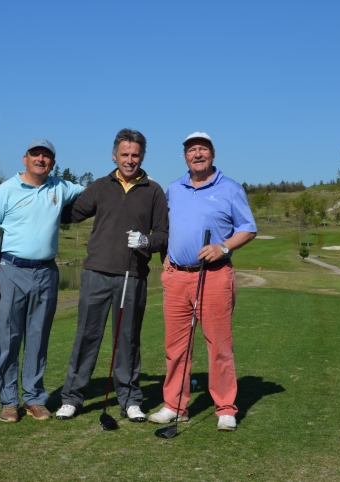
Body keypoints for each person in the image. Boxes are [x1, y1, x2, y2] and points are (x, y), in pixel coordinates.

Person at [55, 128, 168, 422]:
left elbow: (164, 235)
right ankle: (72, 398)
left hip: (133, 275)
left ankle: (130, 399)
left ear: (142, 156)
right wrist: (47, 195)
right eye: (124, 154)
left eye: (135, 155)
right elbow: (71, 213)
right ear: (114, 155)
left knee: (127, 339)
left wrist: (145, 241)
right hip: (96, 273)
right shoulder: (101, 186)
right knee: (86, 336)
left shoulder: (153, 191)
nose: (129, 160)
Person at [147, 132, 257, 432]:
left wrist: (223, 247)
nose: (197, 154)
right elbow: (164, 226)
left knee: (218, 346)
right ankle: (174, 406)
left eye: (203, 149)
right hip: (176, 277)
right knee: (176, 347)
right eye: (192, 150)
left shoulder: (230, 188)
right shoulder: (174, 188)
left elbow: (248, 229)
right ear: (185, 156)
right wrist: (164, 255)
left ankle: (225, 408)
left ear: (213, 154)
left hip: (214, 276)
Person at [0, 138, 83, 423]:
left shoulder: (61, 187)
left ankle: (34, 398)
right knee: (9, 339)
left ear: (53, 161)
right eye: (35, 154)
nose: (41, 159)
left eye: (46, 155)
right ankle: (8, 401)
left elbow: (99, 193)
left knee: (38, 338)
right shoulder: (7, 189)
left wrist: (128, 178)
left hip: (47, 272)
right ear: (25, 159)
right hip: (11, 270)